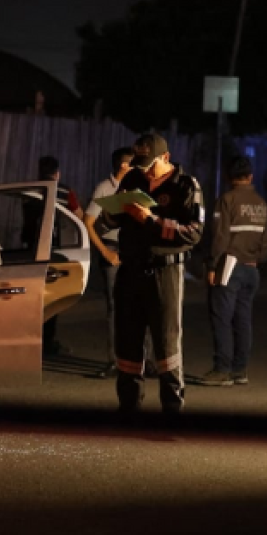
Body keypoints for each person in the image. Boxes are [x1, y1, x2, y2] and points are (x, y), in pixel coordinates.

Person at [96, 134, 205, 413]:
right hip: (130, 271)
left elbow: (193, 233)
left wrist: (150, 220)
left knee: (167, 343)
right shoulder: (132, 180)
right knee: (127, 342)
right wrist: (114, 209)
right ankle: (128, 407)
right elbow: (107, 221)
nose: (142, 170)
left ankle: (172, 408)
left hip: (164, 273)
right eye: (139, 164)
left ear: (166, 158)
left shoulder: (185, 186)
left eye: (149, 164)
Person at [199, 156, 267, 387]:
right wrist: (257, 260)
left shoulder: (226, 200)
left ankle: (222, 370)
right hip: (252, 268)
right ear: (250, 177)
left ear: (229, 178)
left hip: (228, 267)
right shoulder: (261, 203)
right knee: (243, 320)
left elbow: (220, 237)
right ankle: (240, 370)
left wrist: (212, 265)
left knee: (221, 319)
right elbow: (265, 240)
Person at [85, 147, 153, 379]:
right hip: (114, 250)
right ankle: (115, 361)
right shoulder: (105, 188)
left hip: (136, 251)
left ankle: (146, 360)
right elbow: (88, 221)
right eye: (133, 165)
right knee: (116, 307)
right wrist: (105, 252)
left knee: (142, 303)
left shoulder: (139, 186)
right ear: (124, 166)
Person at [27, 155, 80, 357]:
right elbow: (80, 216)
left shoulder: (31, 189)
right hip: (55, 250)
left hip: (32, 249)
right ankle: (47, 343)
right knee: (53, 297)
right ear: (57, 173)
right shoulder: (65, 192)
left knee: (33, 298)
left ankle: (34, 341)